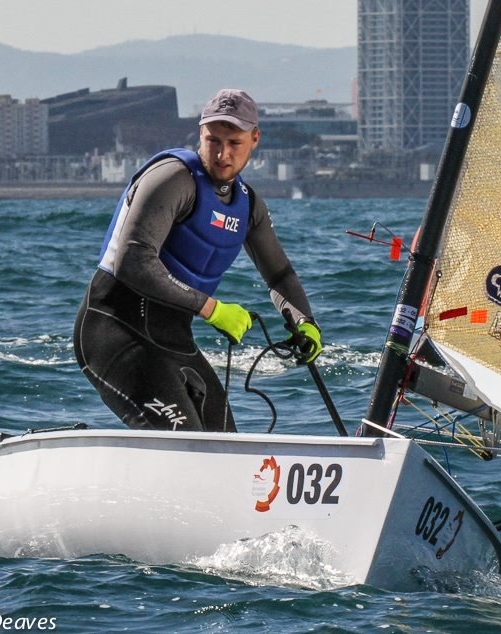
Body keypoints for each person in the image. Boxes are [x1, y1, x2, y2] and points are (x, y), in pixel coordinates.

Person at [73, 88, 321, 432]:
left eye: (234, 143)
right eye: (212, 140)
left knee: (227, 447)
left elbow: (279, 275)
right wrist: (213, 310)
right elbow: (132, 261)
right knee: (189, 444)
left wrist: (306, 322)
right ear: (200, 133)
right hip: (114, 332)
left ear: (254, 139)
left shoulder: (248, 206)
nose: (222, 154)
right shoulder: (172, 179)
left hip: (173, 340)